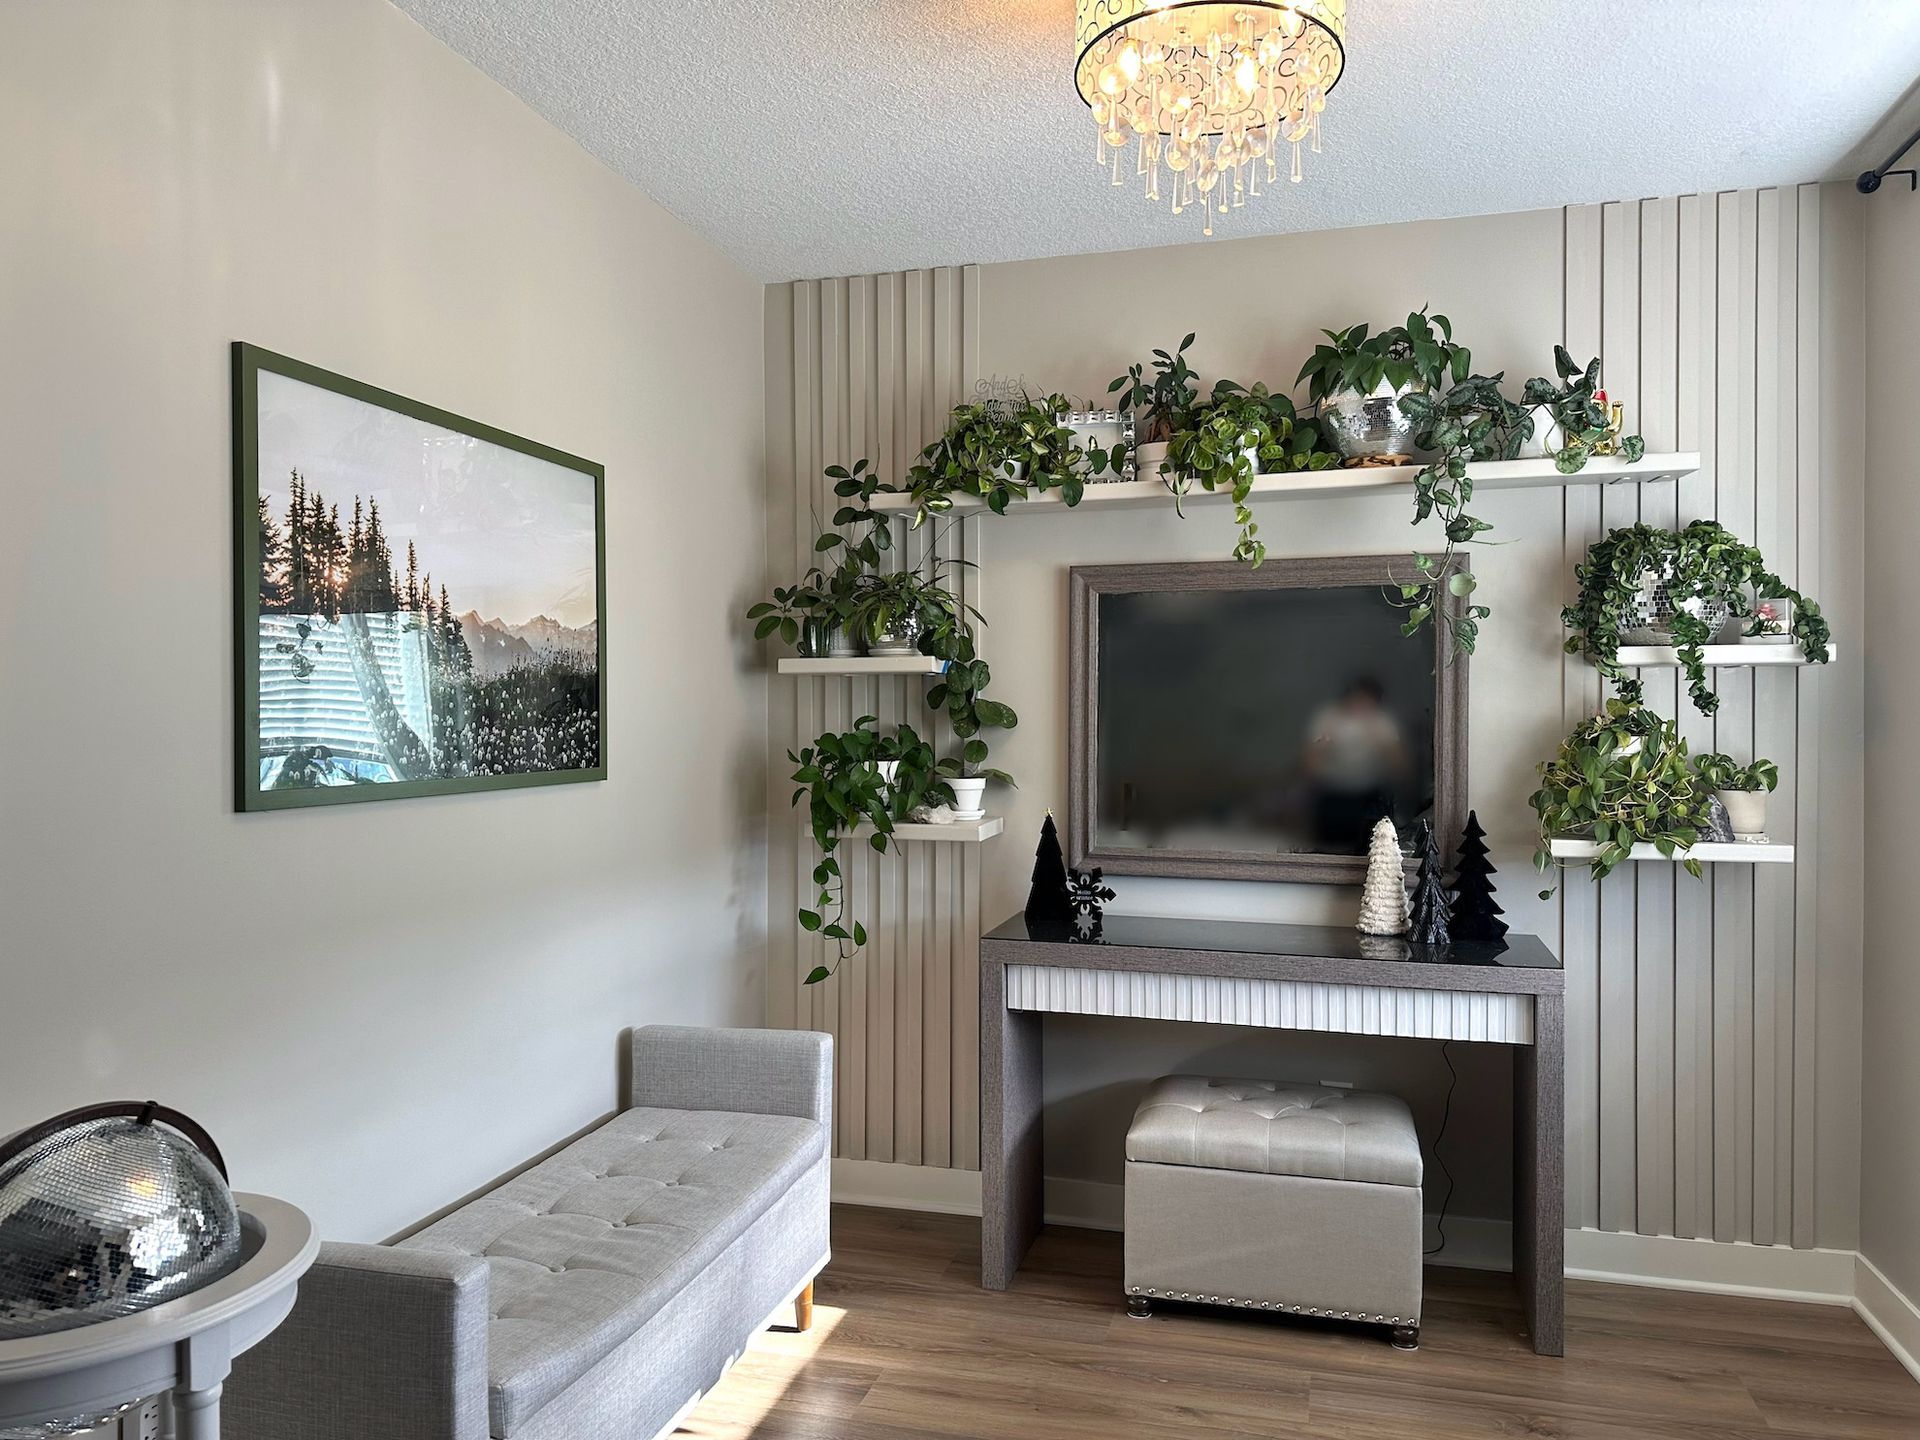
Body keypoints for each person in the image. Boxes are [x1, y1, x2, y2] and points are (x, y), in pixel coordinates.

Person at [1304, 676, 1409, 852]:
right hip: (1333, 794)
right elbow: (1309, 765)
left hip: (1371, 796)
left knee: (1372, 849)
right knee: (1329, 850)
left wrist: (1384, 745)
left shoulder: (1382, 721)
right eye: (1356, 698)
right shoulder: (1329, 717)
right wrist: (1323, 748)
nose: (1360, 706)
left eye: (1366, 701)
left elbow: (1400, 767)